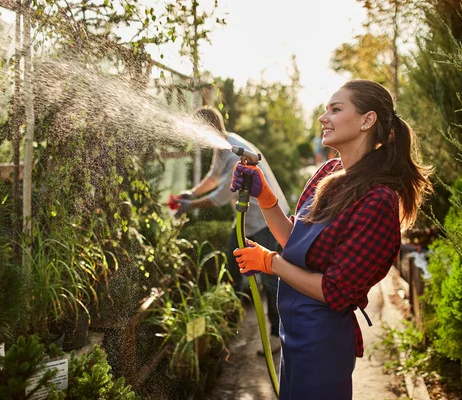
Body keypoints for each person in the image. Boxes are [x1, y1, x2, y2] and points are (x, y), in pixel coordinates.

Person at [231, 79, 433, 399]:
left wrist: (270, 263)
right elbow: (294, 242)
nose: (323, 118)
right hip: (294, 333)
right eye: (325, 110)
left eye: (335, 110)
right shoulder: (328, 173)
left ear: (367, 120)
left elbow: (335, 290)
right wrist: (264, 195)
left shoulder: (378, 200)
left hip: (323, 343)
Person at [175, 105, 290, 355]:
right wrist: (192, 193)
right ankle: (230, 325)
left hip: (267, 220)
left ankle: (276, 336)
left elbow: (221, 194)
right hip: (246, 222)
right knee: (232, 265)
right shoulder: (222, 146)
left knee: (270, 279)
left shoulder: (235, 152)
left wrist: (189, 205)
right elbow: (214, 177)